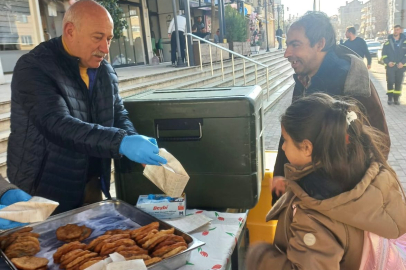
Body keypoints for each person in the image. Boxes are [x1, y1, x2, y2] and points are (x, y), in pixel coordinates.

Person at [8, 0, 167, 214]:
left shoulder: (104, 70)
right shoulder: (34, 67)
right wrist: (120, 142)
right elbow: (56, 124)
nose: (105, 48)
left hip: (90, 182)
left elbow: (117, 113)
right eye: (98, 37)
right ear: (70, 31)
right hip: (43, 187)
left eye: (109, 39)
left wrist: (132, 138)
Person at [246, 93, 406, 270]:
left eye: (286, 140)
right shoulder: (364, 172)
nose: (283, 147)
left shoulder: (313, 215)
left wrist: (261, 257)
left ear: (307, 148)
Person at [272, 11, 389, 203]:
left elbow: (379, 143)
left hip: (335, 203)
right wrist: (281, 173)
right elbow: (291, 131)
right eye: (287, 45)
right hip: (308, 195)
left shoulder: (350, 81)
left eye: (295, 44)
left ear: (320, 44)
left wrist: (337, 198)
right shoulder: (304, 79)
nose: (287, 53)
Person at [382, 25, 406, 105]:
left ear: (400, 31)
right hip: (390, 66)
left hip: (400, 67)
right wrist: (388, 62)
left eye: (397, 30)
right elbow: (384, 54)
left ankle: (396, 99)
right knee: (390, 81)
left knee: (398, 82)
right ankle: (390, 98)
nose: (396, 31)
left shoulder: (405, 42)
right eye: (394, 30)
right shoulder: (387, 42)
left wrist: (402, 63)